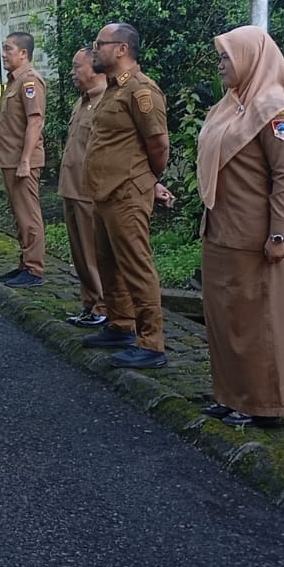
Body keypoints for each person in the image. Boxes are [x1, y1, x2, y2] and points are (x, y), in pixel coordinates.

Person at [197, 25, 284, 426]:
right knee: (226, 319)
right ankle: (232, 395)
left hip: (258, 237)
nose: (221, 65)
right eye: (220, 57)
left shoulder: (275, 110)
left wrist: (279, 233)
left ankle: (267, 404)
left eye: (227, 57)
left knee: (261, 323)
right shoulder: (231, 106)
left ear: (250, 58)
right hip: (222, 230)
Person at [81, 23, 171, 370]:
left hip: (127, 191)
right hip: (104, 191)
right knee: (108, 262)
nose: (94, 50)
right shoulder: (113, 89)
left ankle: (151, 343)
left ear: (121, 49)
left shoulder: (141, 91)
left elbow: (158, 144)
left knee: (135, 265)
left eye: (99, 43)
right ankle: (120, 324)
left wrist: (147, 180)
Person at [0, 31, 47, 287]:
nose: (4, 54)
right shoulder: (14, 81)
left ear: (23, 53)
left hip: (21, 162)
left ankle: (34, 269)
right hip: (10, 159)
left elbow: (35, 122)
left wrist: (25, 160)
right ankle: (25, 263)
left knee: (28, 215)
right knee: (19, 215)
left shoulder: (29, 81)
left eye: (9, 49)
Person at [59, 49, 108, 328]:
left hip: (90, 190)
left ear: (95, 68)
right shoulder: (82, 101)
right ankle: (89, 303)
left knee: (94, 252)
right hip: (71, 186)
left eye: (77, 67)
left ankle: (104, 305)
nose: (72, 72)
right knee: (79, 253)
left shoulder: (107, 101)